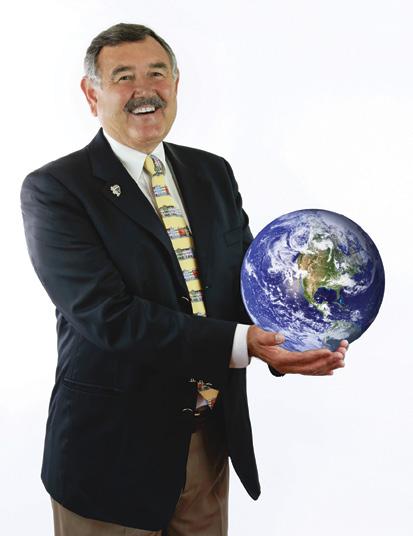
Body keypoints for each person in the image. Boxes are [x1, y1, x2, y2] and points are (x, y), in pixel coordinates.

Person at [20, 23, 348, 536]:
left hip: (207, 444)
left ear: (176, 83)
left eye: (157, 74)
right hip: (112, 459)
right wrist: (245, 344)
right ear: (91, 94)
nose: (144, 90)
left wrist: (293, 334)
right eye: (123, 77)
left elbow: (245, 284)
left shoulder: (212, 173)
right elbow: (108, 316)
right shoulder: (55, 190)